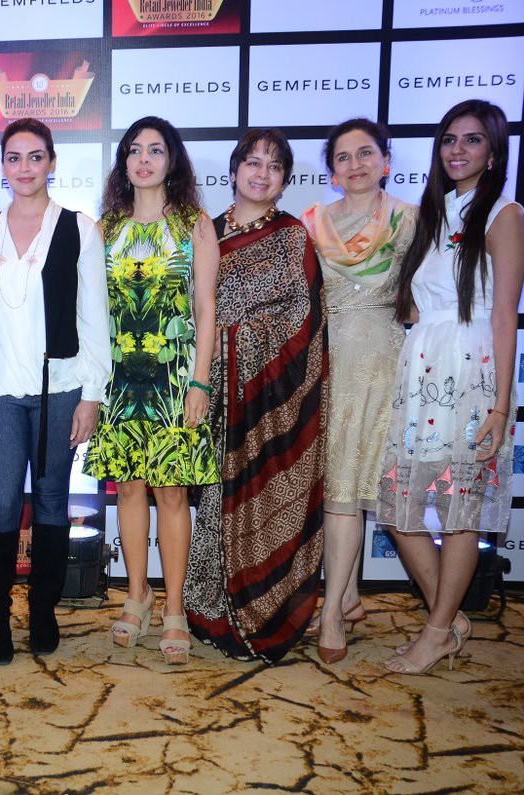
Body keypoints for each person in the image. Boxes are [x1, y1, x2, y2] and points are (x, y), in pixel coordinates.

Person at [378, 100, 523, 675]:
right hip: (422, 368)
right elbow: (417, 301)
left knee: (461, 509)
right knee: (396, 503)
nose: (458, 150)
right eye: (449, 140)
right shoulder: (433, 213)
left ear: (494, 152)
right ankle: (450, 618)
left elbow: (505, 315)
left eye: (472, 140)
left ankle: (436, 631)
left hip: (472, 369)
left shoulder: (504, 214)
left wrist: (501, 404)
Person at [0, 118, 111, 665]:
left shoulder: (80, 229)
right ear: (2, 166)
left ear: (51, 162)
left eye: (35, 157)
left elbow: (95, 318)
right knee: (2, 503)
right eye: (14, 157)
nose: (24, 168)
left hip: (62, 387)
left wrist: (92, 395)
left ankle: (44, 609)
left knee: (52, 500)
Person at [184, 129, 327, 664]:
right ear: (234, 170)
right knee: (213, 497)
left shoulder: (292, 237)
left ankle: (262, 613)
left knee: (260, 494)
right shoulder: (204, 230)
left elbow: (304, 321)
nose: (261, 173)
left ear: (284, 180)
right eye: (252, 162)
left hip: (268, 399)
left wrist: (238, 337)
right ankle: (209, 610)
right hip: (205, 386)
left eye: (274, 166)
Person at [82, 116, 220, 665]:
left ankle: (175, 607)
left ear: (172, 160)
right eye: (135, 150)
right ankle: (137, 595)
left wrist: (200, 381)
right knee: (129, 488)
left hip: (174, 377)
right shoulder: (105, 229)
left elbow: (206, 310)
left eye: (155, 150)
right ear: (123, 162)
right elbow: (91, 314)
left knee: (172, 492)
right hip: (119, 377)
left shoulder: (194, 224)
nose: (144, 160)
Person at [300, 119, 417, 664]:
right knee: (334, 484)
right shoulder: (314, 223)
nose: (355, 165)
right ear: (331, 171)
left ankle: (332, 612)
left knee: (354, 483)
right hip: (327, 363)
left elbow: (425, 295)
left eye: (365, 153)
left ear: (385, 161)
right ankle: (345, 596)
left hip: (384, 363)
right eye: (343, 157)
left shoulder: (409, 219)